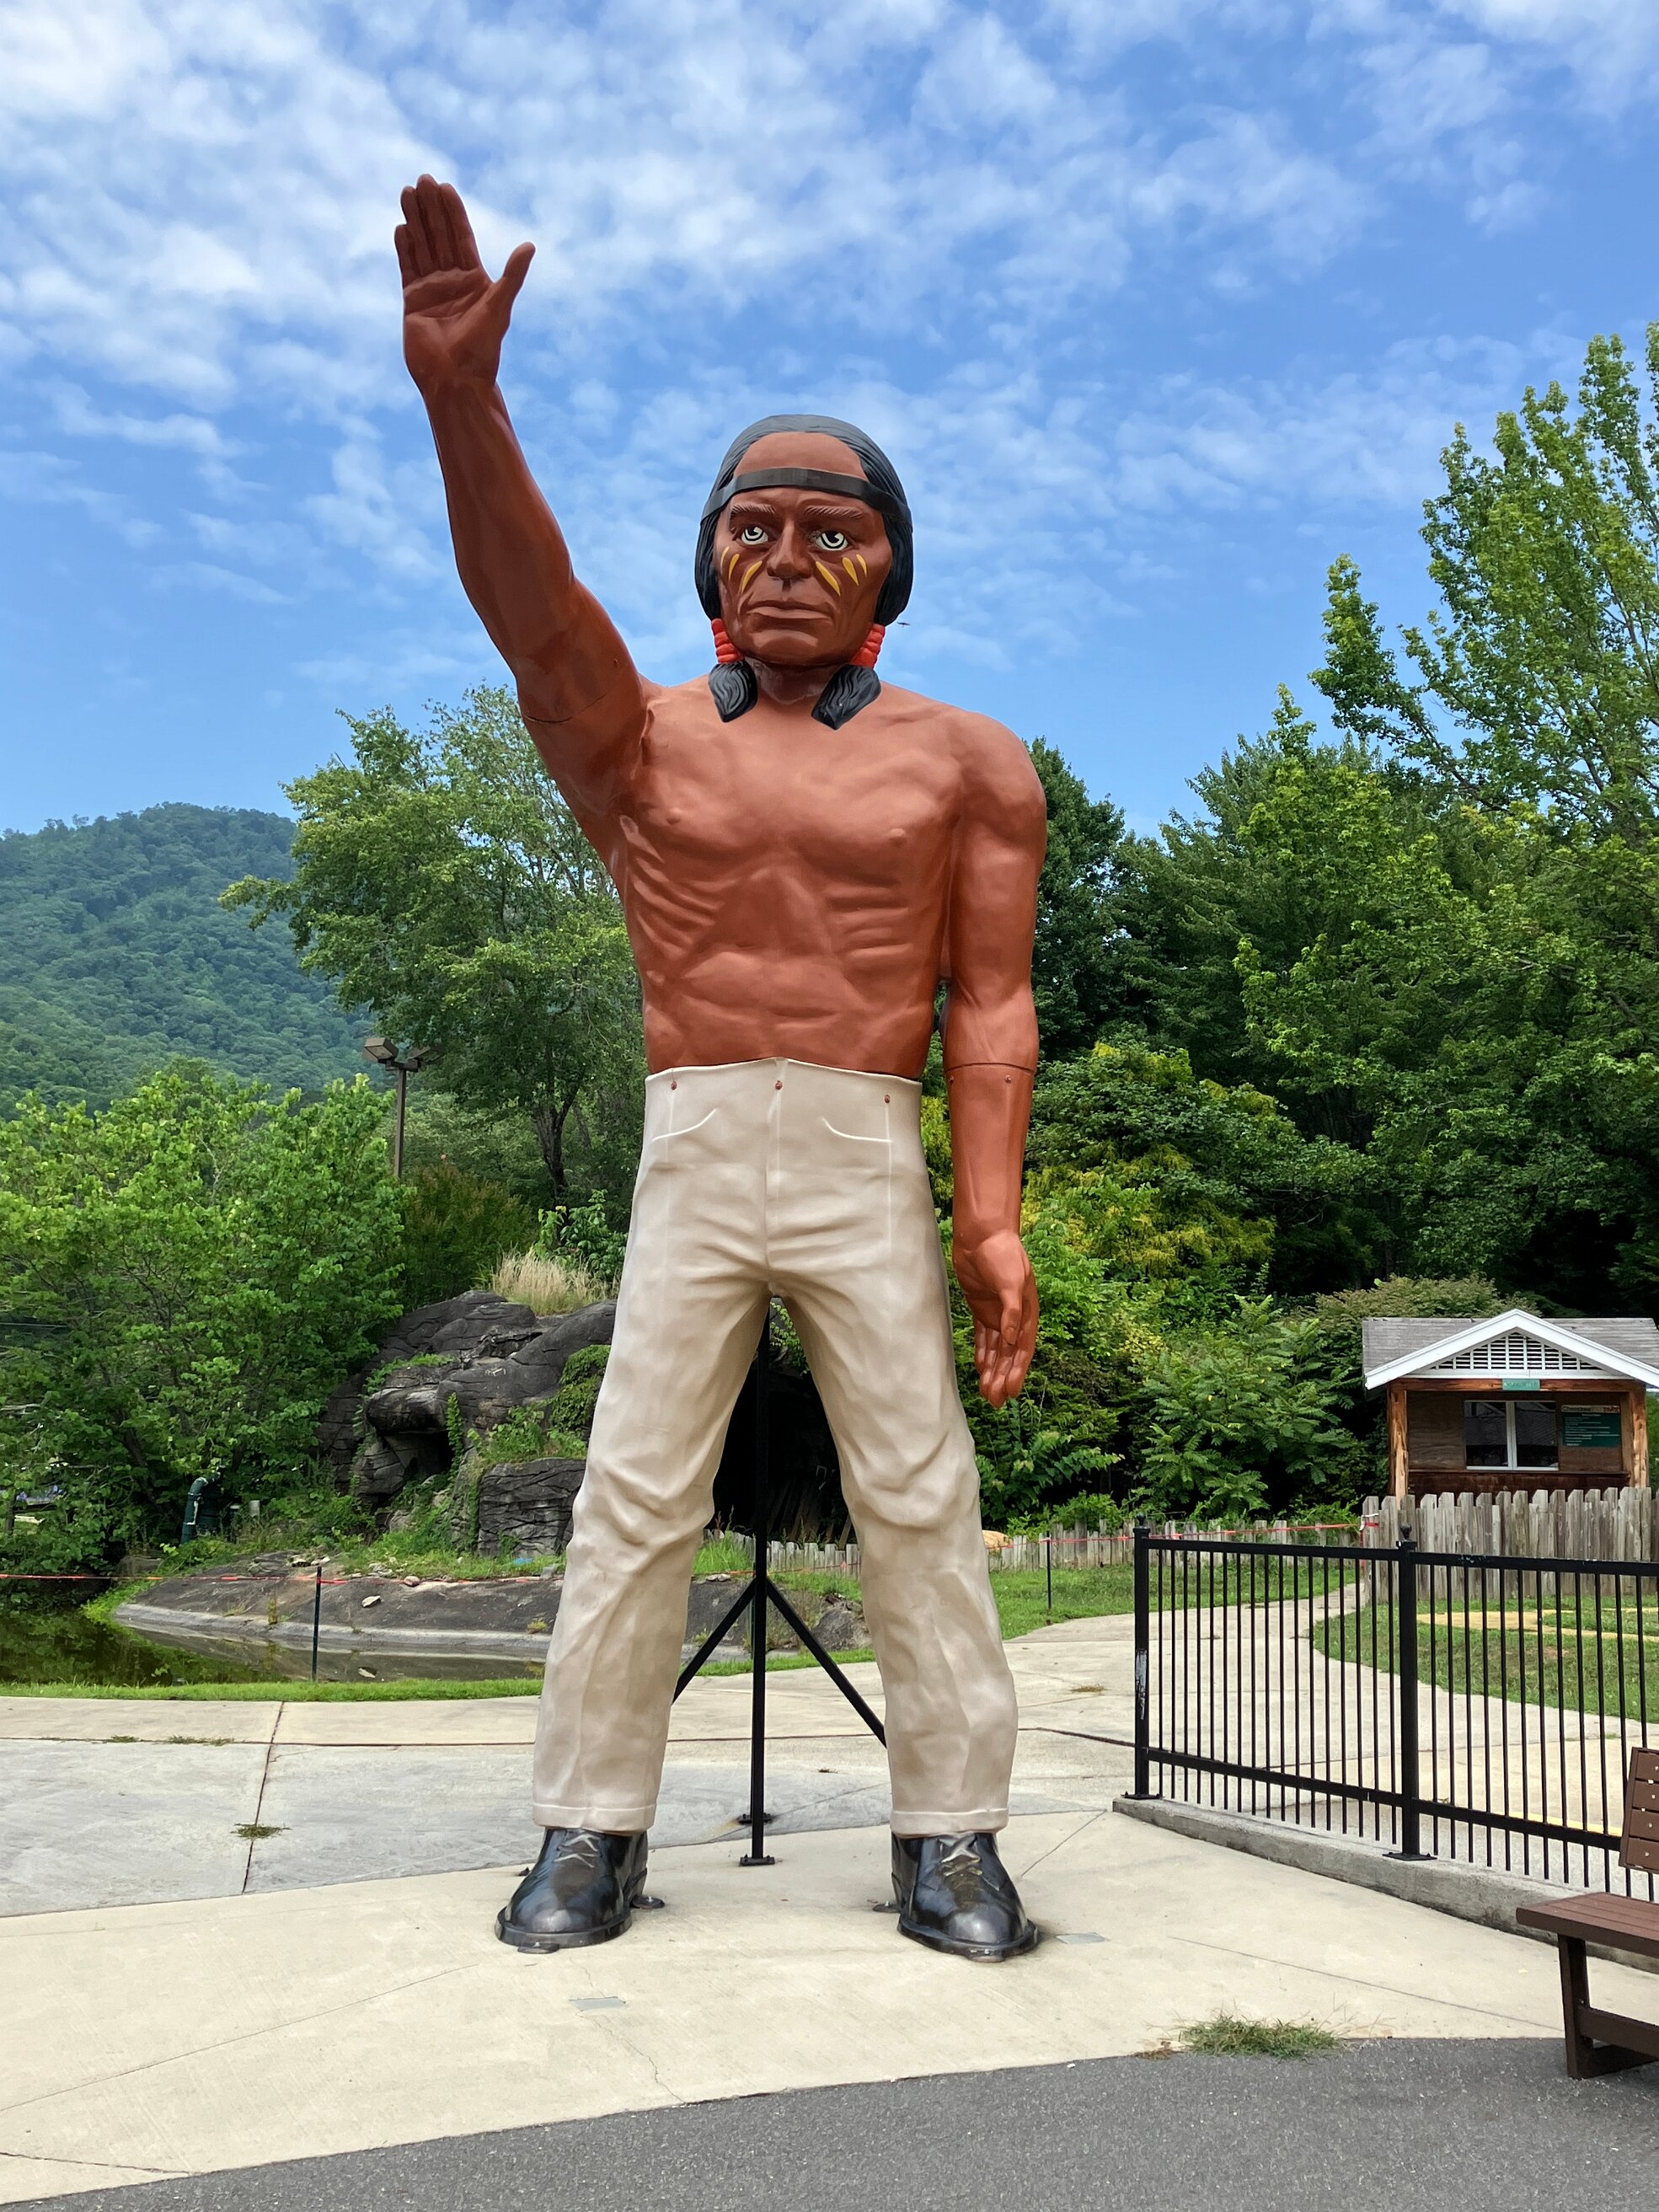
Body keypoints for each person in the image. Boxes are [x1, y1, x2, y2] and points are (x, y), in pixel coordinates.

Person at [396, 175, 1047, 1962]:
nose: (785, 555)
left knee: (917, 1488)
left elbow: (991, 1006)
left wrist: (991, 1216)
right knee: (633, 1491)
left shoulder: (970, 764)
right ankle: (588, 1826)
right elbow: (536, 620)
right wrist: (464, 404)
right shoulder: (639, 743)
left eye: (829, 531)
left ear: (887, 566)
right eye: (751, 526)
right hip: (690, 1135)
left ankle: (953, 1834)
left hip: (863, 1133)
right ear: (708, 559)